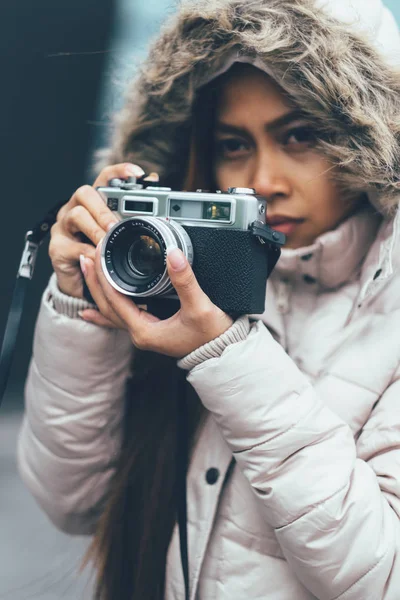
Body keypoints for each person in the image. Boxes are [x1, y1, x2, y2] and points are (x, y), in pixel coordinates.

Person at [17, 0, 400, 598]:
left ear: (369, 139)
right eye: (232, 145)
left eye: (300, 136)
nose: (263, 179)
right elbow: (72, 503)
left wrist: (228, 355)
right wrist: (82, 311)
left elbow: (384, 577)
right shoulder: (172, 280)